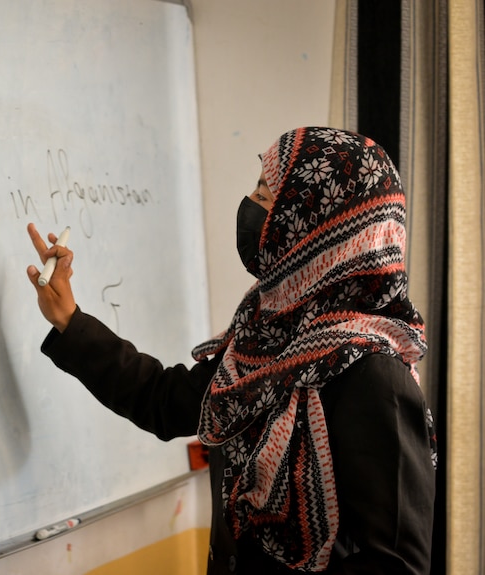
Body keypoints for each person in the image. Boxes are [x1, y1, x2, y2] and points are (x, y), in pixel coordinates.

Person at [25, 127, 436, 574]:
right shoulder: (263, 338)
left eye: (265, 192)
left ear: (311, 219)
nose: (250, 206)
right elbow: (167, 401)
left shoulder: (373, 374)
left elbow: (396, 564)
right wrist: (70, 318)